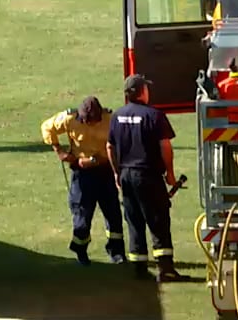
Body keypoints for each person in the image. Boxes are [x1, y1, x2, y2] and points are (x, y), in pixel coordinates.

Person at [109, 74, 183, 282]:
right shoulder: (154, 115)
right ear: (142, 91)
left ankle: (139, 269)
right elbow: (165, 146)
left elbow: (110, 146)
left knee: (134, 222)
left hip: (126, 175)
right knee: (158, 220)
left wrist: (117, 172)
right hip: (148, 176)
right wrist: (169, 173)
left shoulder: (117, 116)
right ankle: (165, 269)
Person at [43, 96, 126, 266]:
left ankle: (116, 252)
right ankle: (80, 250)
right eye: (85, 120)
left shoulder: (111, 119)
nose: (88, 123)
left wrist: (98, 161)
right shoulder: (70, 118)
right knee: (81, 215)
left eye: (92, 120)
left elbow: (119, 144)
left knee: (113, 214)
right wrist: (58, 150)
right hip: (82, 175)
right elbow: (47, 127)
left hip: (105, 171)